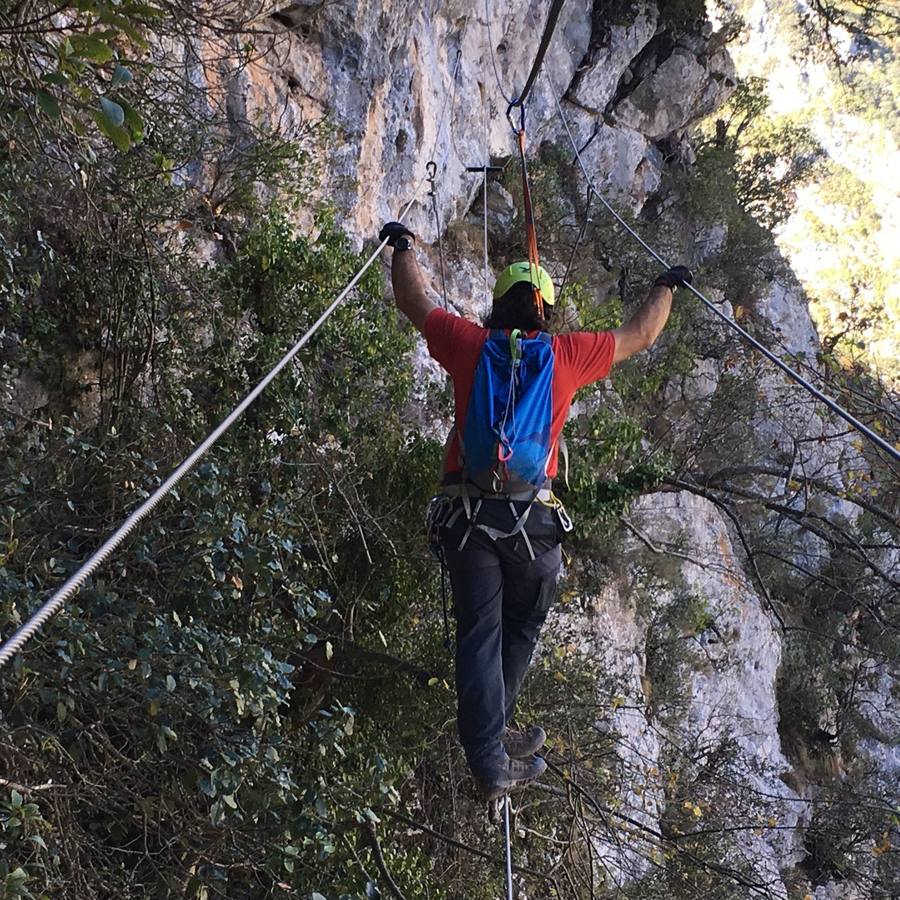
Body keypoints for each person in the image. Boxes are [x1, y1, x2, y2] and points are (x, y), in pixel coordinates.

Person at [379, 220, 692, 801]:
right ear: (544, 310)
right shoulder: (567, 354)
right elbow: (641, 334)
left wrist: (402, 248)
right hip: (533, 530)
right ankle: (492, 745)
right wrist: (665, 286)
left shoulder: (469, 344)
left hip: (468, 522)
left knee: (480, 633)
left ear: (498, 304)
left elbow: (413, 300)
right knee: (522, 622)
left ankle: (490, 744)